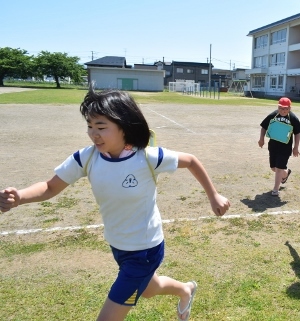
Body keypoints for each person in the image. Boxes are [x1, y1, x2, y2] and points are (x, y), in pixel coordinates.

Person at [0, 85, 230, 321]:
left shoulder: (147, 157)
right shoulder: (86, 158)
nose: (93, 134)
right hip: (118, 246)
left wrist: (214, 196)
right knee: (150, 289)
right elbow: (50, 187)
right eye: (90, 126)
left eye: (101, 127)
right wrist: (20, 197)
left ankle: (180, 289)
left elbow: (190, 160)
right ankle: (185, 289)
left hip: (145, 250)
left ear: (125, 126)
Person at [259, 97, 300, 196]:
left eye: (286, 109)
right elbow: (264, 127)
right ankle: (286, 173)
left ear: (290, 108)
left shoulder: (293, 118)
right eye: (281, 108)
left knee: (279, 169)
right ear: (278, 107)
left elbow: (297, 133)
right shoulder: (273, 115)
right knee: (274, 168)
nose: (283, 111)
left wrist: (296, 147)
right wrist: (261, 139)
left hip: (285, 148)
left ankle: (275, 189)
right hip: (273, 146)